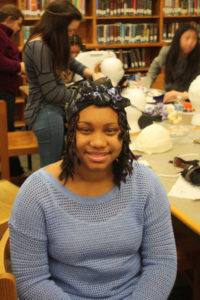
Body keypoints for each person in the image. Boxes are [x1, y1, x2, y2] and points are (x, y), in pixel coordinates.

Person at [9, 77, 177, 300]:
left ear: (123, 135)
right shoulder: (36, 193)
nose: (98, 142)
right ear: (71, 134)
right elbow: (31, 280)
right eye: (85, 130)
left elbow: (162, 262)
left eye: (110, 130)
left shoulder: (145, 184)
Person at [24, 0, 102, 167]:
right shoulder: (40, 47)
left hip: (53, 110)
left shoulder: (50, 41)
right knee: (51, 168)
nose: (70, 34)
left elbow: (69, 60)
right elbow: (52, 93)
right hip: (45, 112)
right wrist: (88, 94)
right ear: (57, 26)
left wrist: (90, 73)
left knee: (59, 164)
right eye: (68, 30)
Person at [142, 23, 200, 103]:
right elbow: (154, 67)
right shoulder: (167, 52)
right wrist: (145, 85)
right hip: (168, 97)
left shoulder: (197, 57)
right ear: (178, 38)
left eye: (194, 39)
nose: (191, 42)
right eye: (187, 38)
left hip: (188, 100)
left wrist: (184, 95)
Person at [0, 4, 25, 177]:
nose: (18, 29)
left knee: (6, 131)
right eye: (18, 24)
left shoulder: (4, 35)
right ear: (9, 19)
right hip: (2, 90)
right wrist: (19, 66)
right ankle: (13, 172)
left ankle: (14, 171)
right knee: (5, 132)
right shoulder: (1, 34)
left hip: (6, 90)